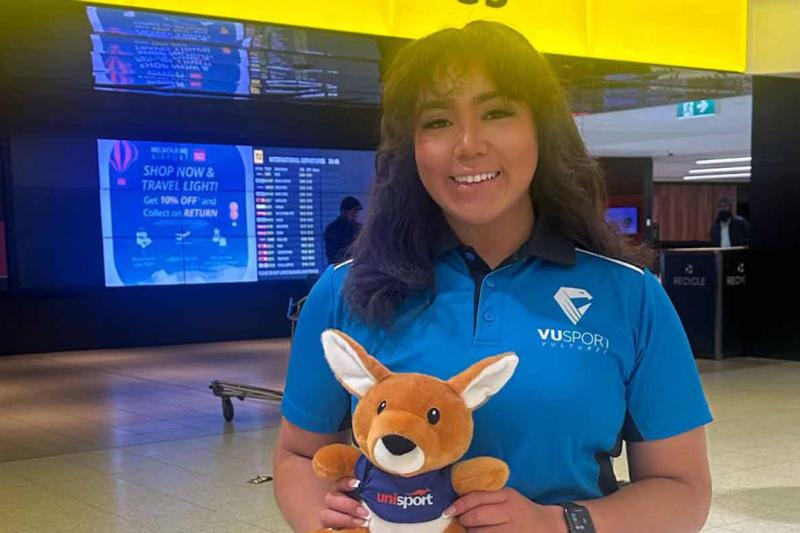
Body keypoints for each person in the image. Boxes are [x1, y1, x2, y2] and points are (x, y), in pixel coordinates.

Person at [274, 21, 713, 533]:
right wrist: (319, 516)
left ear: (541, 130)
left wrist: (557, 524)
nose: (467, 144)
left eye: (497, 112)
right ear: (411, 147)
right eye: (436, 121)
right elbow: (297, 456)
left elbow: (682, 490)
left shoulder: (631, 296)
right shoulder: (345, 290)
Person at [324, 196, 363, 264]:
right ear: (343, 211)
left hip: (358, 269)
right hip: (340, 269)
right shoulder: (332, 229)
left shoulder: (361, 229)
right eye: (353, 211)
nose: (355, 213)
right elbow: (332, 255)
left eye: (357, 211)